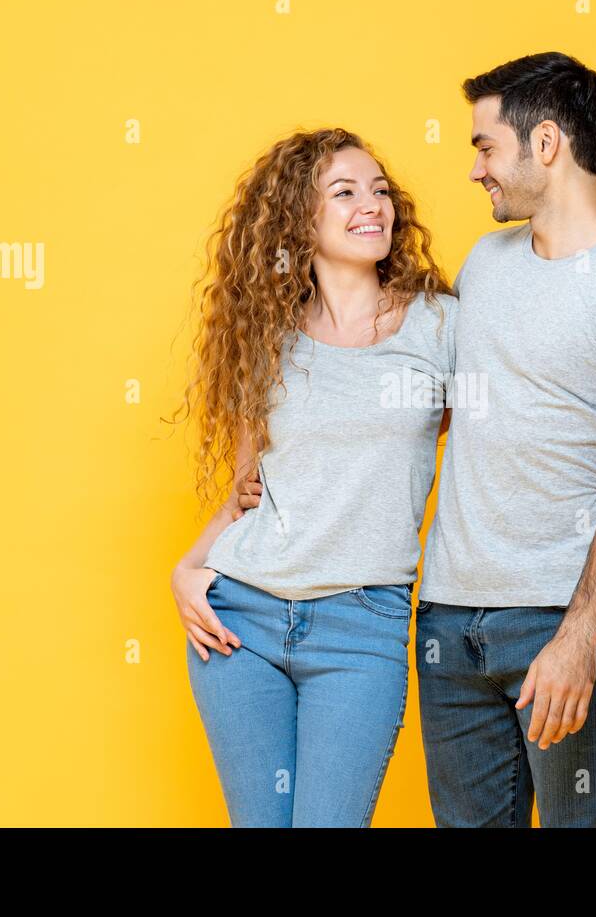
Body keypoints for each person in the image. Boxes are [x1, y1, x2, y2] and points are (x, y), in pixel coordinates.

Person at [414, 52, 596, 827]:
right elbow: (440, 401)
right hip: (450, 622)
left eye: (484, 146)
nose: (475, 170)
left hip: (560, 621)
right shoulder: (485, 262)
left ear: (546, 144)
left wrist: (581, 637)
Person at [167, 128, 457, 827]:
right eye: (346, 192)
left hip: (363, 627)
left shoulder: (439, 325)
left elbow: (505, 431)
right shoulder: (269, 338)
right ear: (301, 218)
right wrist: (186, 567)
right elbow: (247, 492)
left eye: (381, 190)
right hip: (243, 621)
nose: (373, 206)